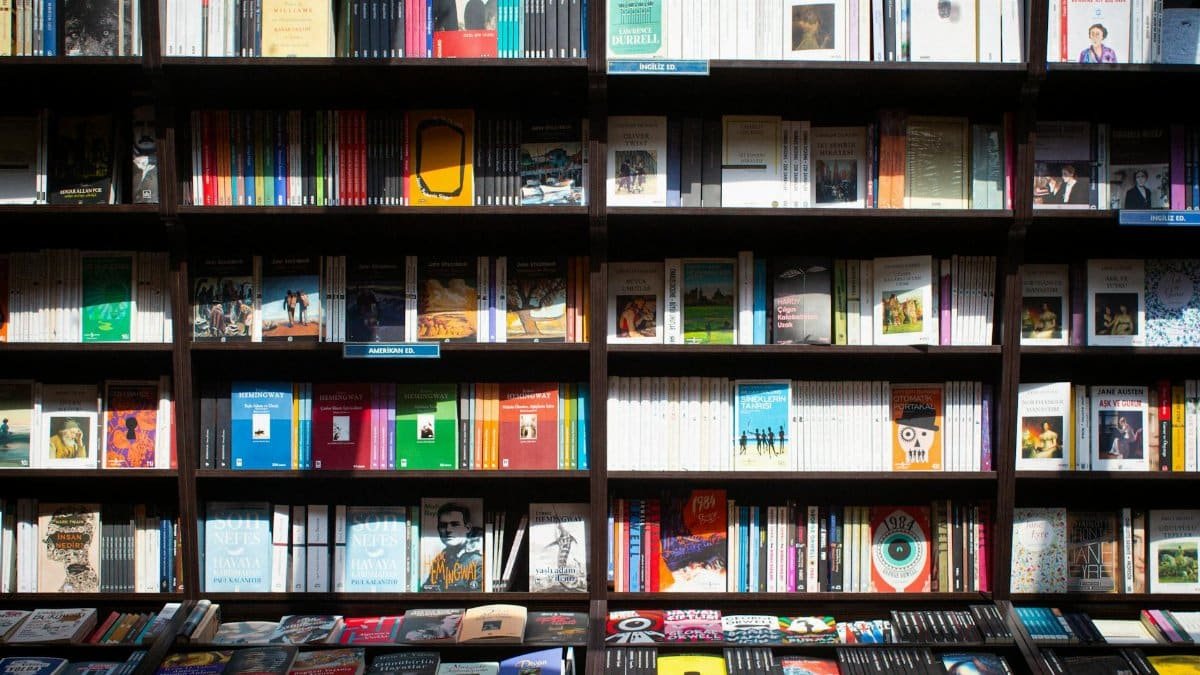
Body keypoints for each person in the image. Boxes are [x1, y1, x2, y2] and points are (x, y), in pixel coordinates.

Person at [423, 502, 483, 591]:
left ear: (468, 528)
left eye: (455, 524)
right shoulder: (441, 559)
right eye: (443, 525)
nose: (448, 530)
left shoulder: (478, 561)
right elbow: (426, 590)